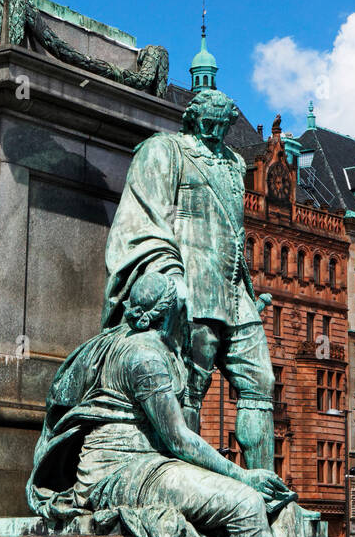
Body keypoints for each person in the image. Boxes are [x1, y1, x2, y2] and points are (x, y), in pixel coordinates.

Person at [28, 271, 314, 537]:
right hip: (124, 471)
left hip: (142, 464)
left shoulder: (124, 340)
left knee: (259, 504)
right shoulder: (145, 358)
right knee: (245, 502)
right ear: (167, 313)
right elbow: (179, 438)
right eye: (182, 307)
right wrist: (243, 475)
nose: (188, 313)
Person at [103, 90, 275, 469]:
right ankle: (189, 481)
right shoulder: (165, 150)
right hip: (191, 286)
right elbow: (146, 218)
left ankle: (266, 490)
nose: (215, 133)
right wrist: (170, 276)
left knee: (261, 384)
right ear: (193, 119)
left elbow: (232, 229)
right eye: (208, 124)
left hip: (234, 292)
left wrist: (247, 286)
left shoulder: (233, 163)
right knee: (190, 389)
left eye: (223, 126)